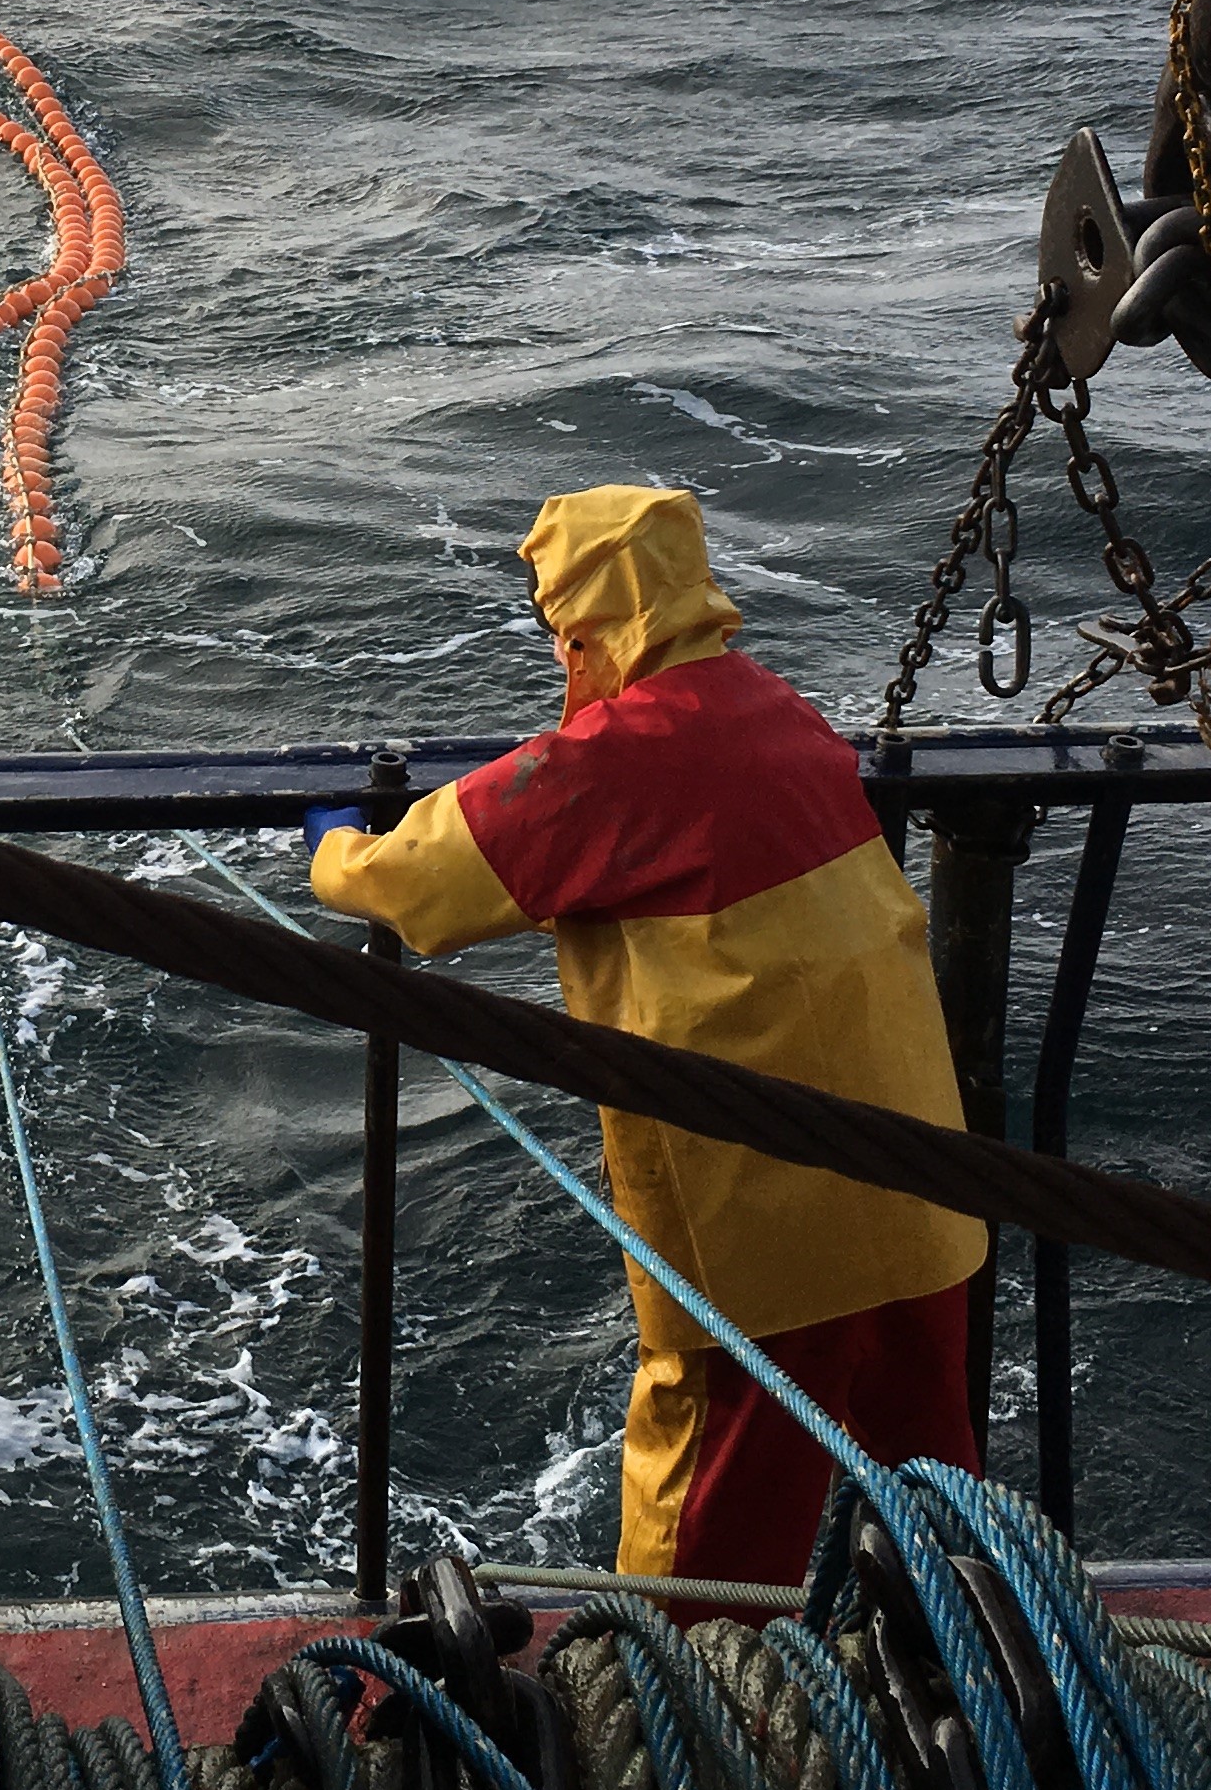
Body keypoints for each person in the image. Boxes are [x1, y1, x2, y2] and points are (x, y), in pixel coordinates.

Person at [305, 485, 984, 1585]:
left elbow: (415, 883)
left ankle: (682, 1682)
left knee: (716, 1495)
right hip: (915, 1176)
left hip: (762, 1210)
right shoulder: (781, 709)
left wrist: (334, 844)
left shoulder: (613, 760)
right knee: (937, 1483)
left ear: (586, 628)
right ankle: (979, 1659)